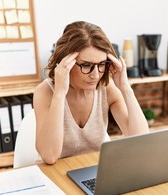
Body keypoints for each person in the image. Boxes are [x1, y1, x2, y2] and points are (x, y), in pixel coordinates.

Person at [33, 21, 149, 165]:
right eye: (86, 65)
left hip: (92, 173)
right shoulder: (45, 92)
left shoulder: (106, 88)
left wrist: (125, 88)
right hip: (55, 176)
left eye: (101, 64)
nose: (95, 75)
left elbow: (140, 142)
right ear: (65, 62)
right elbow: (49, 156)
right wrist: (59, 94)